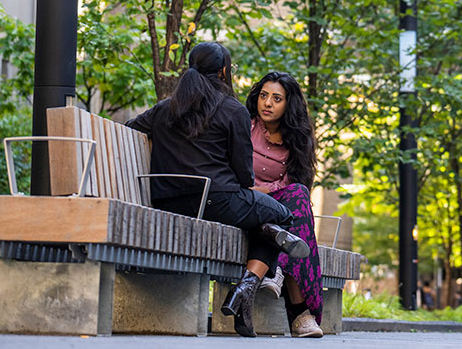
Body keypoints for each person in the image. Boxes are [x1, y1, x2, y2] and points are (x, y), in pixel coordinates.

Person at [126, 42, 309, 338]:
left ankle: (245, 292)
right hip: (217, 201)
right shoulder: (232, 110)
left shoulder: (165, 109)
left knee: (264, 222)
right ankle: (245, 289)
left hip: (165, 201)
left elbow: (130, 127)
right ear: (224, 71)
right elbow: (243, 175)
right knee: (282, 218)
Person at [245, 71, 324, 338]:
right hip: (242, 202)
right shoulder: (246, 125)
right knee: (294, 210)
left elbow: (293, 184)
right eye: (264, 96)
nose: (267, 103)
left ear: (288, 105)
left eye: (276, 99)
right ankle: (301, 315)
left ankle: (278, 270)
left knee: (298, 197)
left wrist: (266, 189)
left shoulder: (296, 142)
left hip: (277, 209)